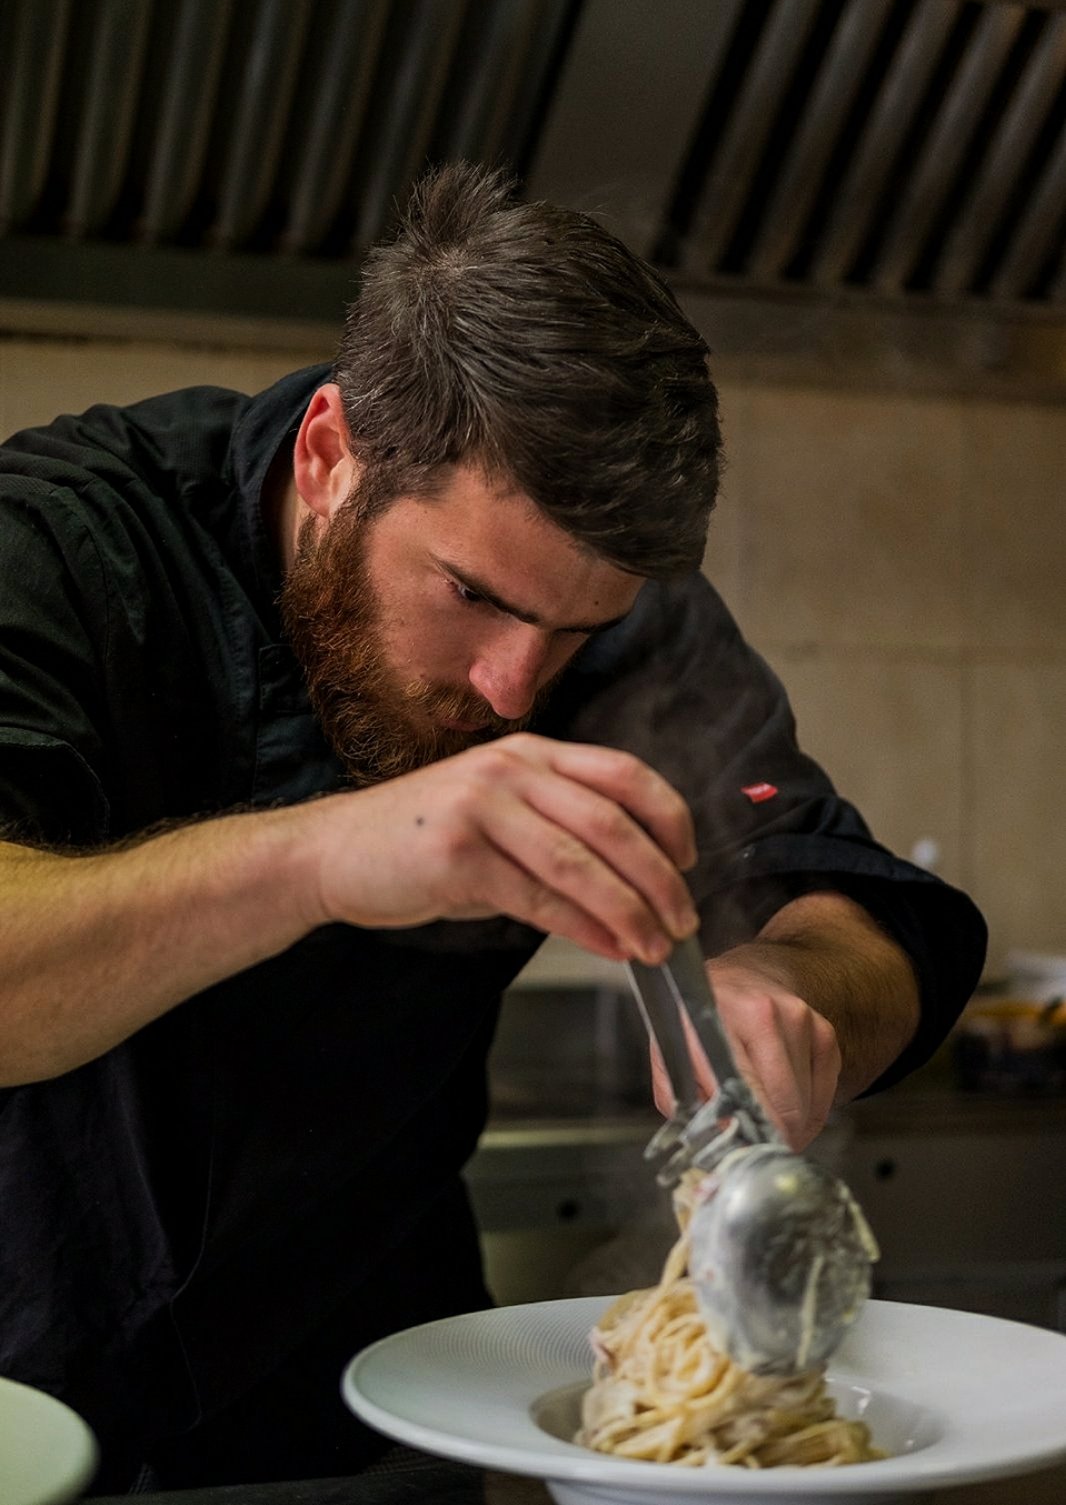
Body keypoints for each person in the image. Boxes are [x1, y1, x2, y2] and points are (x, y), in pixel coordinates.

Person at [0, 164, 985, 1492]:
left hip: (395, 1416)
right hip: (38, 1412)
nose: (515, 685)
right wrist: (327, 852)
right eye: (466, 593)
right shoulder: (66, 543)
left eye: (571, 629)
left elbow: (848, 901)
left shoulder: (619, 622)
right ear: (330, 455)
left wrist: (789, 989)